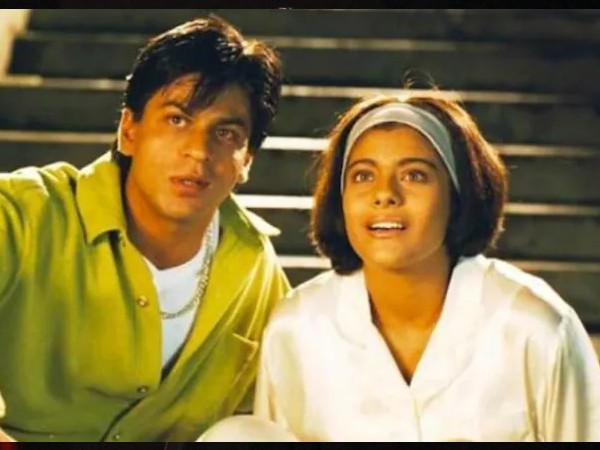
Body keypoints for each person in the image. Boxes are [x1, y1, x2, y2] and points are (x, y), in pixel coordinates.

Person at [0, 15, 290, 442]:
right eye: (177, 120)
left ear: (246, 160)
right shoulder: (23, 214)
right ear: (129, 130)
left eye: (226, 133)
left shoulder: (255, 269)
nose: (199, 151)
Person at [252, 92, 600, 441]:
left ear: (457, 195)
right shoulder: (296, 329)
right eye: (362, 176)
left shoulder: (535, 327)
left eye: (414, 175)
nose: (384, 194)